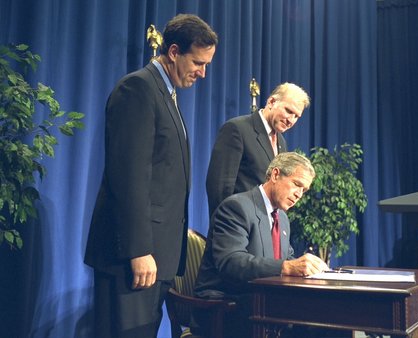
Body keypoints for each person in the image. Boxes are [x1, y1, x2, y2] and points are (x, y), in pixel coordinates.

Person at [84, 14, 218, 338]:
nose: (202, 73)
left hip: (158, 259)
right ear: (173, 52)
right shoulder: (139, 88)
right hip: (134, 257)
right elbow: (129, 176)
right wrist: (139, 250)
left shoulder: (166, 94)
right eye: (198, 63)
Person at [193, 152, 329, 337]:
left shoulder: (282, 217)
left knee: (325, 318)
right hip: (224, 305)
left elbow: (286, 258)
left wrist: (309, 270)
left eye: (304, 191)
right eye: (297, 184)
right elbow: (231, 262)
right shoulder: (236, 207)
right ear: (275, 175)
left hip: (260, 302)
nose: (299, 195)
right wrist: (287, 267)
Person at [206, 82, 310, 216]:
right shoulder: (237, 129)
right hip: (235, 227)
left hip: (263, 230)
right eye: (288, 111)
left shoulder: (281, 143)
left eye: (296, 116)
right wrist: (227, 226)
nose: (291, 120)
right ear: (271, 102)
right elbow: (219, 187)